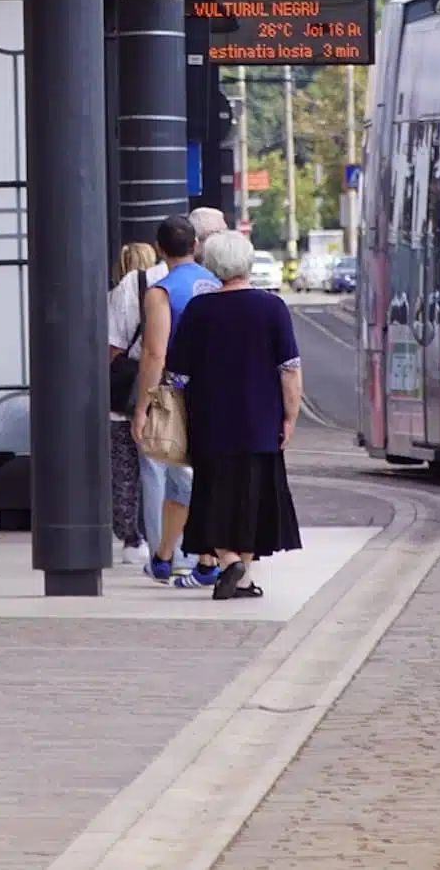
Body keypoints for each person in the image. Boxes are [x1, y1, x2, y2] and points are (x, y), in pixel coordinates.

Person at [164, 230, 304, 601]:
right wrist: (289, 417)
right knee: (254, 499)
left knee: (213, 495)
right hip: (262, 422)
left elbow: (177, 374)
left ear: (211, 265)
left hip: (211, 422)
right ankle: (241, 574)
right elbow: (289, 369)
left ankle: (230, 563)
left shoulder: (200, 309)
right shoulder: (272, 307)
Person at [131, 214, 223, 587]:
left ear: (159, 249)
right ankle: (171, 556)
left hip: (180, 394)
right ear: (196, 245)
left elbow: (155, 353)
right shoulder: (218, 284)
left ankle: (196, 559)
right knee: (200, 477)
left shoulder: (161, 292)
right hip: (220, 391)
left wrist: (143, 406)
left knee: (180, 476)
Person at [104, 241, 157, 564]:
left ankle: (132, 537)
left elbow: (111, 347)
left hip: (121, 393)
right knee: (160, 465)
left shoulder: (118, 294)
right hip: (157, 391)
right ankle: (161, 537)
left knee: (124, 468)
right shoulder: (163, 289)